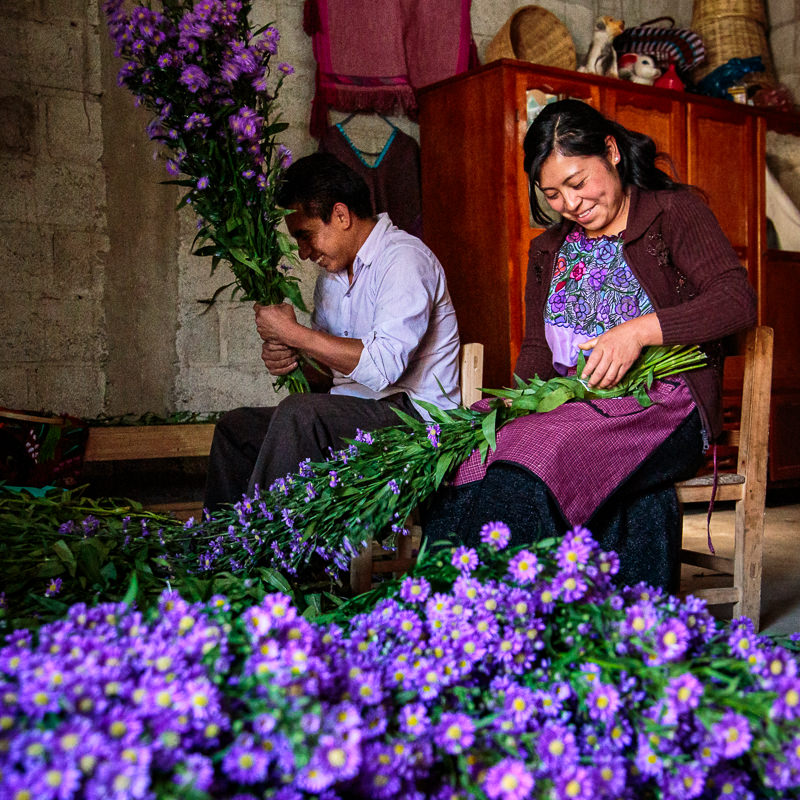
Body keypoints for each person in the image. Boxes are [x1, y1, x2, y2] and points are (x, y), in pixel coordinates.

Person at [423, 99, 757, 591]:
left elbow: (736, 301)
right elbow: (537, 349)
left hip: (665, 403)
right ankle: (441, 604)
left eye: (577, 183)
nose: (570, 204)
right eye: (553, 194)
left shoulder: (674, 212)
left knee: (541, 452)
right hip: (575, 407)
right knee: (475, 447)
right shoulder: (548, 249)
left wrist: (637, 332)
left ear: (612, 152)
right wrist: (518, 405)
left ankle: (496, 608)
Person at [204, 153, 461, 511]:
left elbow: (383, 368)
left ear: (340, 215)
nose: (303, 252)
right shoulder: (332, 278)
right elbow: (329, 372)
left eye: (305, 236)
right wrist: (292, 357)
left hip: (415, 422)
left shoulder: (404, 259)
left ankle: (269, 541)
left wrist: (294, 334)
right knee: (237, 428)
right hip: (353, 412)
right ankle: (224, 540)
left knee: (300, 415)